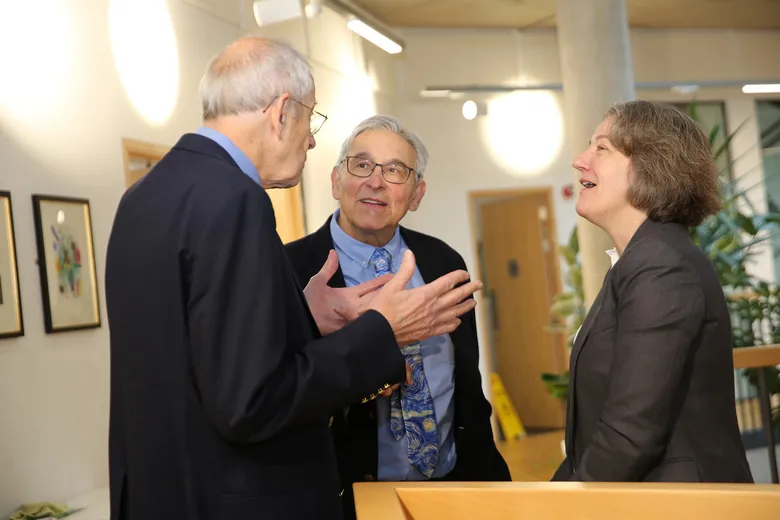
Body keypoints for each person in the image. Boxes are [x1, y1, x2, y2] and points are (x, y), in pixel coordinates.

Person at [105, 38, 483, 520]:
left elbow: (204, 356)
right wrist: (382, 332)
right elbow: (252, 401)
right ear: (282, 112)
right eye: (310, 120)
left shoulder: (142, 197)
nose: (309, 140)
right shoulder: (235, 201)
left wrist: (302, 316)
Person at [285, 115, 511, 519]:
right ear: (337, 181)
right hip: (345, 499)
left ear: (416, 193)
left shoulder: (443, 261)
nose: (376, 181)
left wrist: (492, 483)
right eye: (362, 165)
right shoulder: (290, 269)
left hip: (453, 492)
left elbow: (466, 388)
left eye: (395, 171)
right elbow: (281, 391)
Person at [551, 100, 753, 483]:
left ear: (652, 166)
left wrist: (564, 507)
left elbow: (629, 434)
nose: (580, 160)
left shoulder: (662, 265)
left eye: (601, 148)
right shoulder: (642, 259)